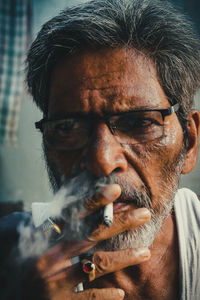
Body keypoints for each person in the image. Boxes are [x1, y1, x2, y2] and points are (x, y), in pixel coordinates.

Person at [1, 0, 200, 299]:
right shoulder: (11, 258)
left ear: (189, 143)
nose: (102, 161)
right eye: (68, 127)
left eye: (138, 122)